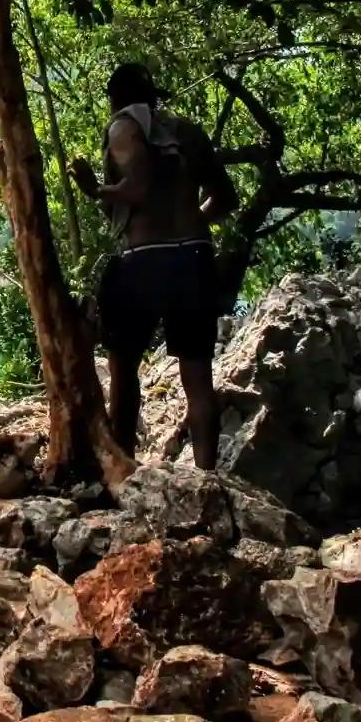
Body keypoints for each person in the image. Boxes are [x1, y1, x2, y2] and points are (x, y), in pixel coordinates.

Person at [69, 63, 238, 471]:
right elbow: (225, 198)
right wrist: (192, 220)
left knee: (124, 367)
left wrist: (95, 189)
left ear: (115, 98)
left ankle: (124, 470)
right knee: (198, 376)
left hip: (144, 259)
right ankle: (206, 475)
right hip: (194, 257)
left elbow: (138, 190)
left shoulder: (123, 128)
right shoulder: (188, 132)